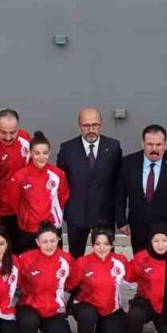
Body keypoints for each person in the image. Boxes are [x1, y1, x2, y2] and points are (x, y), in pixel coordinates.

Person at [116, 124, 167, 254]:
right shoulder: (128, 163)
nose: (154, 149)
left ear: (165, 145)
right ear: (142, 144)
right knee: (140, 263)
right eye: (150, 144)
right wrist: (121, 221)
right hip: (139, 229)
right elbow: (119, 194)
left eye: (158, 144)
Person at [58, 108, 122, 256]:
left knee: (106, 256)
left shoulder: (113, 147)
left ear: (101, 125)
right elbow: (62, 182)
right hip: (77, 213)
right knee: (76, 256)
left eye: (95, 125)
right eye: (86, 126)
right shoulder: (67, 149)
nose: (91, 130)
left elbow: (118, 181)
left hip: (104, 213)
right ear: (79, 126)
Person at [15, 222, 77, 333]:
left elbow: (71, 283)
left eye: (53, 241)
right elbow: (16, 282)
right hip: (30, 307)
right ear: (37, 242)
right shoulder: (26, 258)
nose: (49, 245)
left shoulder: (66, 259)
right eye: (44, 242)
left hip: (53, 310)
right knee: (29, 321)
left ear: (58, 240)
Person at [67, 229, 131, 333]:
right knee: (88, 315)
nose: (102, 248)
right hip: (87, 307)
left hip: (111, 310)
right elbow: (69, 285)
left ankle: (102, 330)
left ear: (112, 244)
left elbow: (132, 281)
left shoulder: (120, 261)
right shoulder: (83, 262)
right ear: (92, 245)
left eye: (106, 244)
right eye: (97, 244)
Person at [7, 132, 69, 253]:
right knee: (28, 262)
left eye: (45, 153)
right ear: (30, 153)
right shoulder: (20, 176)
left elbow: (63, 197)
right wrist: (27, 217)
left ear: (49, 153)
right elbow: (13, 202)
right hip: (28, 230)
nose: (41, 157)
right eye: (37, 153)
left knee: (53, 261)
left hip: (52, 228)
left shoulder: (58, 174)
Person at [0, 109, 31, 234]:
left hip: (24, 207)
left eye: (12, 132)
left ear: (18, 128)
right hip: (3, 211)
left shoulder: (25, 138)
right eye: (3, 132)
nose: (8, 137)